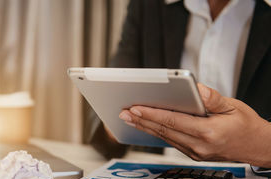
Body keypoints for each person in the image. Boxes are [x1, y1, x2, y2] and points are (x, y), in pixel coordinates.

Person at [91, 0, 271, 168]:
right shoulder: (148, 5)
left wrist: (260, 143)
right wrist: (116, 120)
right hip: (157, 174)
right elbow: (105, 109)